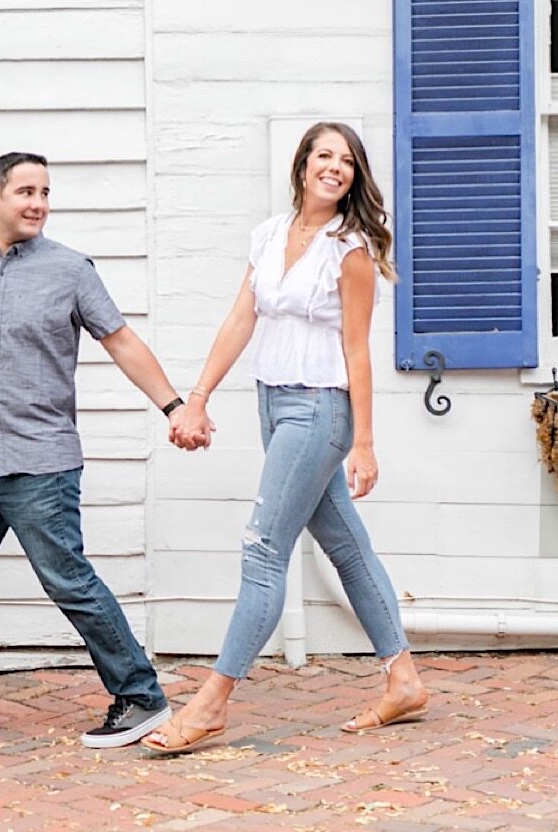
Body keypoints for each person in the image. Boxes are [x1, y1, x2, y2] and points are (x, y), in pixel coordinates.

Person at [0, 151, 189, 748]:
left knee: (69, 582)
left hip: (42, 463)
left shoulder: (71, 271)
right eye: (26, 191)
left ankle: (140, 696)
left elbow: (121, 341)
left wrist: (175, 408)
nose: (38, 204)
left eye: (45, 193)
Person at [142, 122, 428, 756]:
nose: (336, 167)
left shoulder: (348, 249)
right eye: (324, 155)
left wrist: (365, 441)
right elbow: (241, 318)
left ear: (354, 177)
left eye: (347, 161)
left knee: (263, 549)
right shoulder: (270, 235)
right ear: (302, 165)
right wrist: (198, 395)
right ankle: (403, 679)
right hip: (273, 404)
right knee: (346, 545)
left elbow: (358, 349)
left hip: (321, 409)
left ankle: (212, 703)